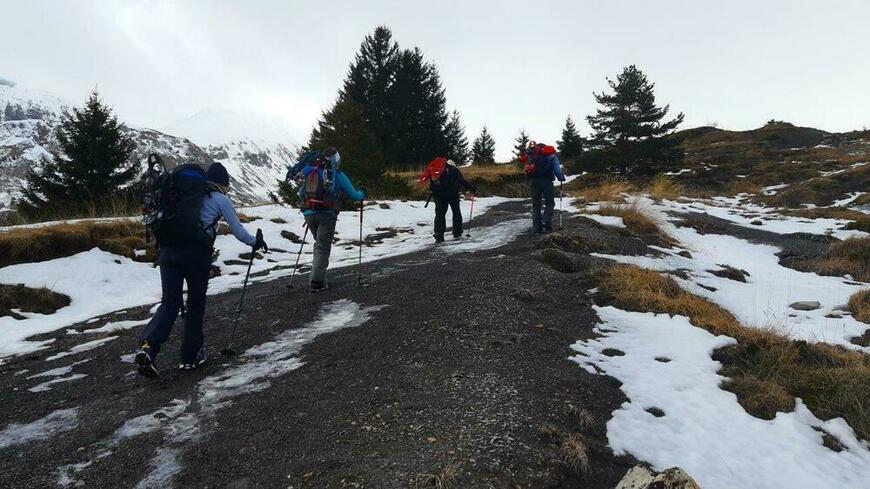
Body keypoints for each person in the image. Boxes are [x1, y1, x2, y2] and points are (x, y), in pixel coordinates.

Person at [135, 162, 268, 377]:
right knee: (195, 304)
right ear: (222, 184)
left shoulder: (177, 194)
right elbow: (238, 231)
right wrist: (255, 242)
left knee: (170, 302)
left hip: (168, 252)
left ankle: (148, 348)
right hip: (196, 256)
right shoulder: (220, 199)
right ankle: (190, 357)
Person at [297, 147, 366, 293]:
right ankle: (317, 282)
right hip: (327, 214)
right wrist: (362, 192)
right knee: (322, 246)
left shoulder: (311, 172)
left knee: (319, 244)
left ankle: (317, 276)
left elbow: (301, 193)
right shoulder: (337, 175)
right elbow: (354, 195)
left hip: (309, 213)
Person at [419, 157, 476, 242]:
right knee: (456, 211)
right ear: (452, 164)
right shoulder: (454, 170)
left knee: (440, 214)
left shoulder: (434, 170)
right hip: (452, 194)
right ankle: (457, 232)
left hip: (438, 195)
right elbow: (462, 181)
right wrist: (472, 188)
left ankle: (439, 234)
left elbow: (432, 183)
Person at [521, 140, 565, 233]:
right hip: (546, 181)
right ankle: (546, 221)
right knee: (549, 202)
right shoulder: (550, 155)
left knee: (536, 205)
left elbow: (526, 168)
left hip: (533, 181)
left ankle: (536, 228)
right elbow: (557, 170)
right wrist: (561, 177)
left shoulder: (531, 155)